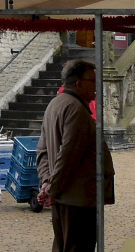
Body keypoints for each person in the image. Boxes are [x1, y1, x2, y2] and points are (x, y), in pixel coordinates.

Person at [36, 60, 114, 252]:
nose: (97, 87)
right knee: (77, 247)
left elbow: (43, 151)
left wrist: (47, 182)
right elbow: (68, 156)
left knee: (62, 246)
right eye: (93, 81)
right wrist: (51, 188)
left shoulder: (55, 104)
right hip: (77, 199)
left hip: (65, 196)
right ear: (79, 83)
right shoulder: (76, 110)